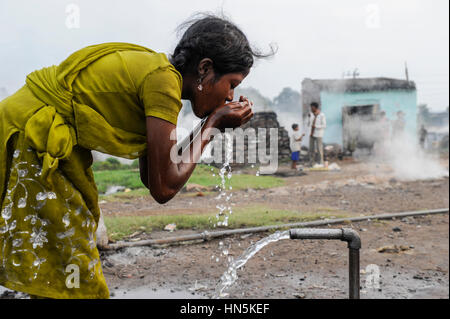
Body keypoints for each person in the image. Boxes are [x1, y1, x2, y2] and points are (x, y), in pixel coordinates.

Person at [0, 15, 272, 299]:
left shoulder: (159, 78)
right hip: (34, 133)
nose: (231, 96)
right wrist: (213, 124)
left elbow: (155, 175)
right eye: (232, 83)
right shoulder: (162, 82)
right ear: (205, 69)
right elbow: (164, 187)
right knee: (68, 253)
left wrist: (209, 124)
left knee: (62, 250)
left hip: (26, 125)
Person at [307, 102, 327, 166]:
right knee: (311, 149)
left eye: (312, 107)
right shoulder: (311, 114)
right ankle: (311, 163)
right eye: (311, 107)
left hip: (319, 134)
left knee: (319, 149)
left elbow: (324, 125)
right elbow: (309, 124)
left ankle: (321, 163)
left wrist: (316, 126)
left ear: (315, 108)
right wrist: (309, 118)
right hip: (311, 134)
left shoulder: (322, 115)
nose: (311, 109)